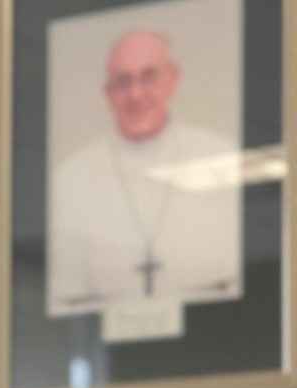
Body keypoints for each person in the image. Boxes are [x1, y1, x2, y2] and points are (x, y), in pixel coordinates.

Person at [48, 28, 241, 317]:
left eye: (148, 77)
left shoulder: (220, 158)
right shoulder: (71, 178)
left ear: (172, 80)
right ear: (108, 94)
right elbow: (67, 299)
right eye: (122, 82)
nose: (135, 94)